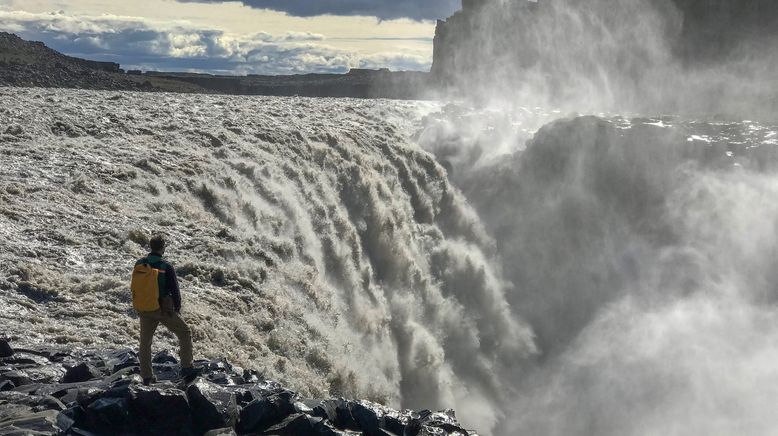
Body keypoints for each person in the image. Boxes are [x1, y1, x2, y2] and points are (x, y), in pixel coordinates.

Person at [135, 234, 198, 385]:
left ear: (150, 246)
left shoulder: (140, 263)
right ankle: (187, 367)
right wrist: (177, 308)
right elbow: (175, 291)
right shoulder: (166, 266)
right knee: (185, 332)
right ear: (163, 248)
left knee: (145, 343)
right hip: (163, 309)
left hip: (144, 308)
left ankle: (146, 376)